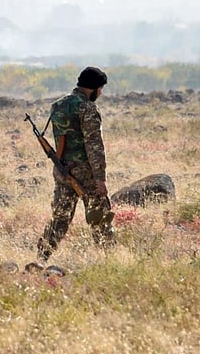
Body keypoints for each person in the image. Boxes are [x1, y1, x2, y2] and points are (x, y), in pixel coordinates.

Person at [36, 66, 116, 263]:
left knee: (60, 219)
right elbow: (94, 146)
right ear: (94, 88)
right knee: (100, 218)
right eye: (101, 89)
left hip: (63, 171)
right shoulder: (87, 108)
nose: (101, 93)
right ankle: (111, 261)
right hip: (85, 174)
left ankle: (40, 259)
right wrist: (100, 179)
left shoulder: (58, 105)